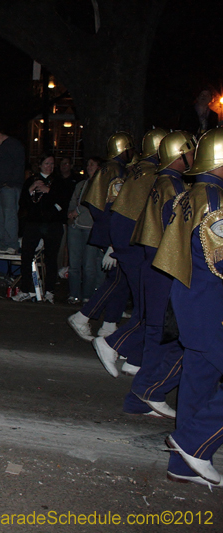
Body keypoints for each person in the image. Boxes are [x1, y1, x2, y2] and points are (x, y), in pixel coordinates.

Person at [152, 127, 223, 488]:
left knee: (198, 383)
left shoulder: (193, 193)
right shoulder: (215, 200)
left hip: (190, 299)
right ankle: (194, 443)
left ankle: (183, 466)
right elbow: (220, 259)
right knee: (199, 379)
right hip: (209, 305)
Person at [123, 130, 195, 418]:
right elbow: (178, 235)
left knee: (157, 332)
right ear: (180, 154)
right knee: (164, 335)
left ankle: (142, 397)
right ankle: (147, 393)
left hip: (152, 265)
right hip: (163, 268)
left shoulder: (162, 182)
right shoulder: (173, 187)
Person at [93, 128, 168, 377]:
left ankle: (134, 356)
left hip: (132, 245)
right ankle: (113, 342)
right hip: (138, 247)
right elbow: (114, 209)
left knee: (143, 303)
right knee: (149, 307)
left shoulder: (138, 170)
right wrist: (115, 245)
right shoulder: (150, 173)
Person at [67, 132, 135, 341]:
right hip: (113, 234)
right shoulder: (115, 171)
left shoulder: (108, 169)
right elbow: (113, 208)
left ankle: (108, 324)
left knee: (120, 279)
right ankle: (84, 316)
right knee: (116, 280)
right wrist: (114, 240)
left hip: (110, 232)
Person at [12, 152, 71, 303]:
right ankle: (25, 289)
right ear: (40, 165)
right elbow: (23, 203)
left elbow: (64, 201)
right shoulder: (31, 180)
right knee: (26, 256)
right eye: (47, 164)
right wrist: (31, 189)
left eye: (52, 164)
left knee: (51, 258)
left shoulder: (58, 181)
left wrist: (48, 191)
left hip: (52, 224)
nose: (50, 167)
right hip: (34, 223)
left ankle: (50, 291)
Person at [66, 156, 104, 303]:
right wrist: (70, 214)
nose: (89, 167)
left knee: (89, 265)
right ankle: (74, 293)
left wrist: (78, 211)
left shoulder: (101, 186)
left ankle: (88, 295)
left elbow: (91, 204)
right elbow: (73, 200)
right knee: (74, 263)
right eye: (88, 164)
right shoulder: (81, 184)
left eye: (92, 164)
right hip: (75, 227)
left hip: (90, 228)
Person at [0, 127, 25, 254]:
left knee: (9, 216)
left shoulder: (14, 145)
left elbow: (20, 164)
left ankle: (12, 244)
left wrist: (11, 183)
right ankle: (1, 243)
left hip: (9, 187)